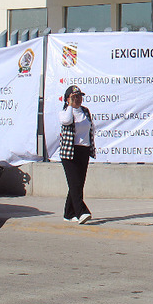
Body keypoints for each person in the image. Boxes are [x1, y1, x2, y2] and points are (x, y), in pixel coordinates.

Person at [59, 85, 95, 224]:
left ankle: (68, 213)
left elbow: (90, 127)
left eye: (79, 96)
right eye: (74, 97)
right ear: (67, 99)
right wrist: (70, 105)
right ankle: (82, 212)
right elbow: (66, 121)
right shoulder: (65, 112)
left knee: (78, 184)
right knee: (74, 184)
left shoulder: (85, 111)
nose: (78, 99)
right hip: (69, 152)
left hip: (83, 150)